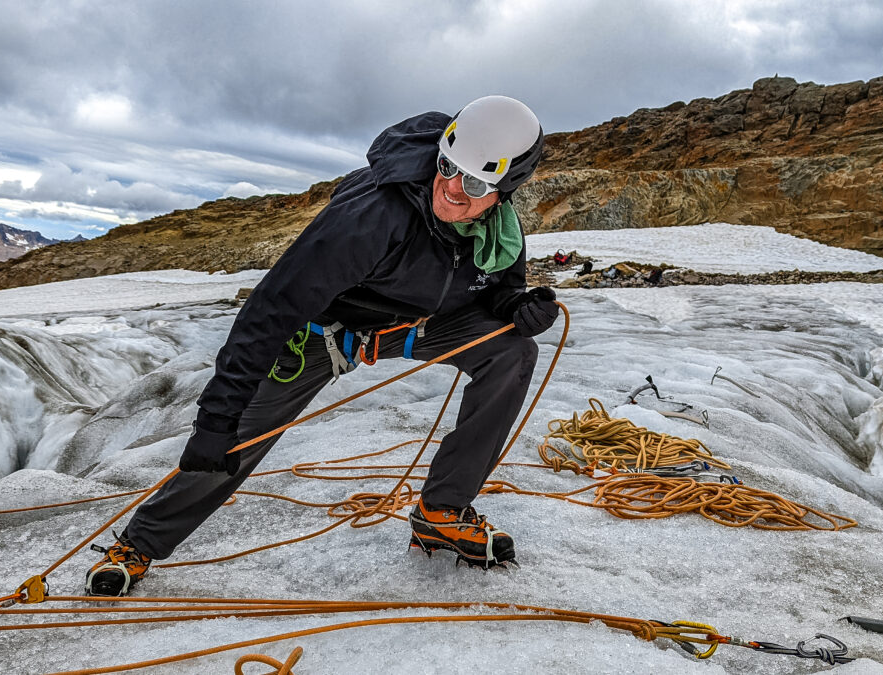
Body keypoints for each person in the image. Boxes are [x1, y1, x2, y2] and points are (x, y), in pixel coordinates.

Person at [86, 96, 559, 596]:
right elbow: (272, 309)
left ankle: (441, 512)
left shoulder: (498, 230)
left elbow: (498, 285)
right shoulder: (374, 215)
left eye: (476, 183)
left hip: (411, 327)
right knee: (234, 440)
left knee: (511, 352)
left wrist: (515, 309)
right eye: (447, 167)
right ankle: (139, 544)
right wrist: (214, 420)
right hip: (319, 334)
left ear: (506, 191)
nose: (453, 190)